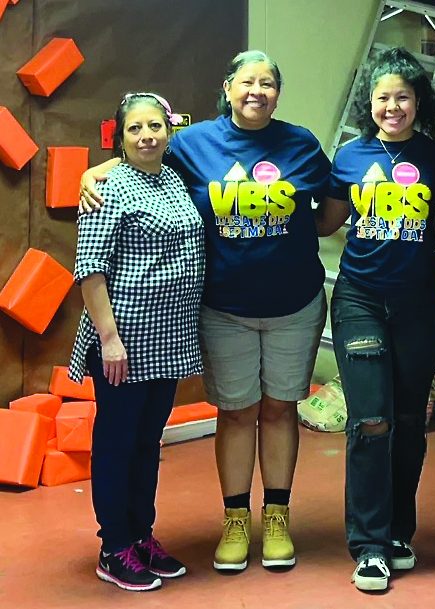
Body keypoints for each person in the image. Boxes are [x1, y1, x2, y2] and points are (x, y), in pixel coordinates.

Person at [80, 50, 330, 572]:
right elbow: (139, 154)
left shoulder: (302, 143)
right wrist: (94, 171)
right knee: (235, 412)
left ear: (278, 93)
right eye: (247, 81)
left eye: (267, 82)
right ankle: (234, 521)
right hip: (224, 308)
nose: (256, 91)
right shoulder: (193, 144)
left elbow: (330, 210)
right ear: (228, 87)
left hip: (293, 305)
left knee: (279, 409)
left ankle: (276, 517)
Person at [315, 47, 435, 592]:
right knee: (372, 419)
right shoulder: (349, 157)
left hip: (420, 303)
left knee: (410, 420)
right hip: (360, 299)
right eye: (382, 97)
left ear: (418, 102)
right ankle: (369, 546)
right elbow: (325, 222)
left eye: (403, 97)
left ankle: (397, 533)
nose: (392, 107)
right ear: (368, 102)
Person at [69, 92, 205, 591]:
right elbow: (90, 269)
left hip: (167, 339)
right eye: (134, 129)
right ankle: (114, 546)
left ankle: (141, 535)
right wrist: (109, 338)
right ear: (119, 137)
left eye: (154, 126)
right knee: (117, 443)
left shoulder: (172, 176)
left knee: (148, 443)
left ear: (168, 131)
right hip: (123, 340)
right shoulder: (107, 188)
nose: (146, 136)